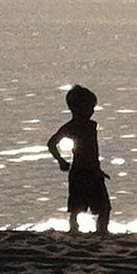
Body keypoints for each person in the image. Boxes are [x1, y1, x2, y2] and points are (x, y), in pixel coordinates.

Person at [47, 84, 112, 235]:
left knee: (103, 207)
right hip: (81, 172)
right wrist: (61, 161)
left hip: (92, 171)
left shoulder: (90, 126)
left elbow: (91, 152)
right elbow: (52, 143)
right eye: (89, 107)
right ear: (76, 108)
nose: (92, 111)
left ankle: (102, 230)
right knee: (77, 207)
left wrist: (97, 169)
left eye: (92, 107)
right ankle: (75, 230)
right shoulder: (72, 126)